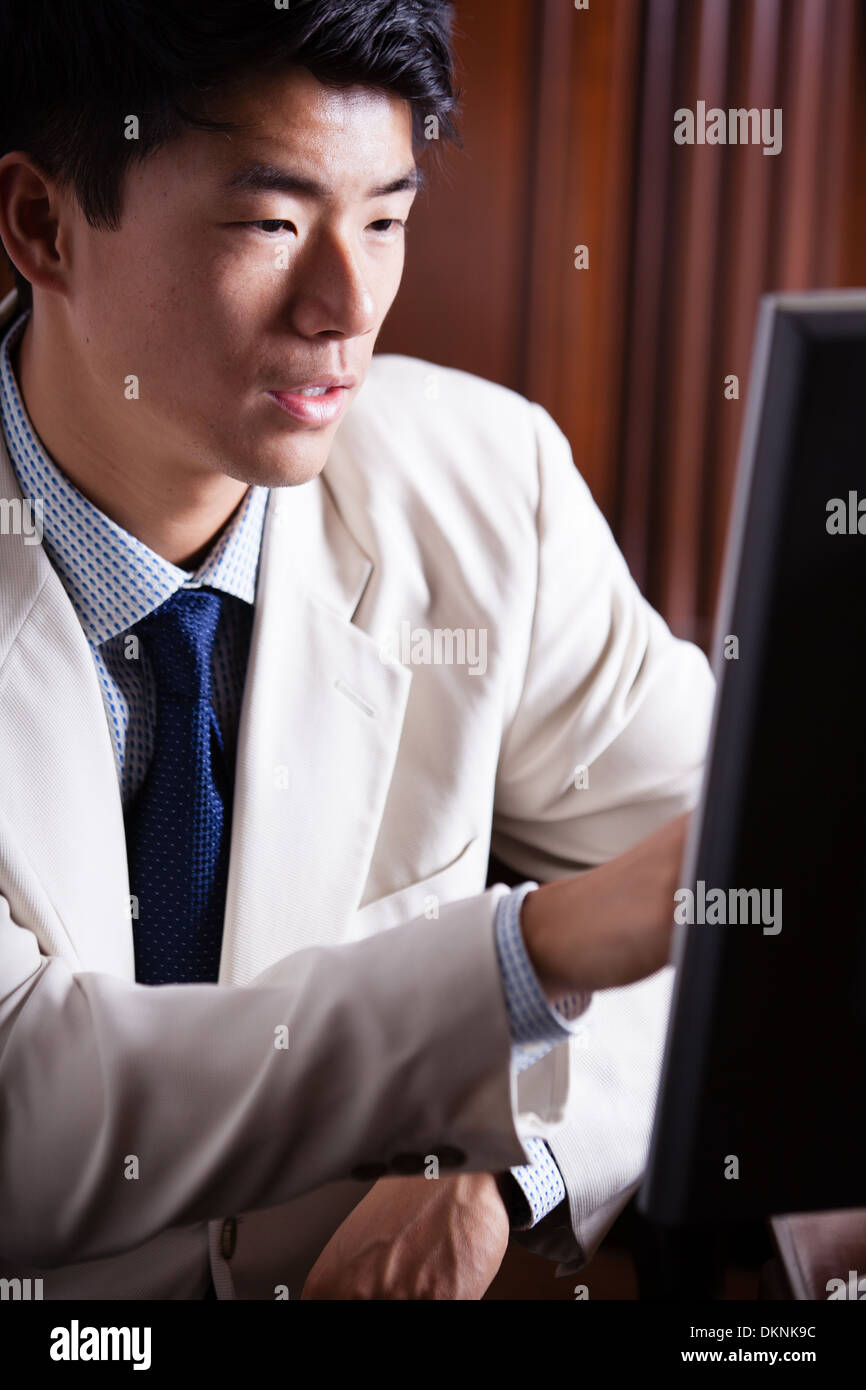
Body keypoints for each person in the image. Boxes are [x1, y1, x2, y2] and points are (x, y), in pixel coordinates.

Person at [0, 0, 714, 1300]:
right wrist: (523, 957)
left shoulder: (493, 488)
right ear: (45, 226)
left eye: (383, 219)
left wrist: (498, 1162)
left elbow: (740, 907)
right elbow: (29, 1102)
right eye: (271, 224)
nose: (348, 307)